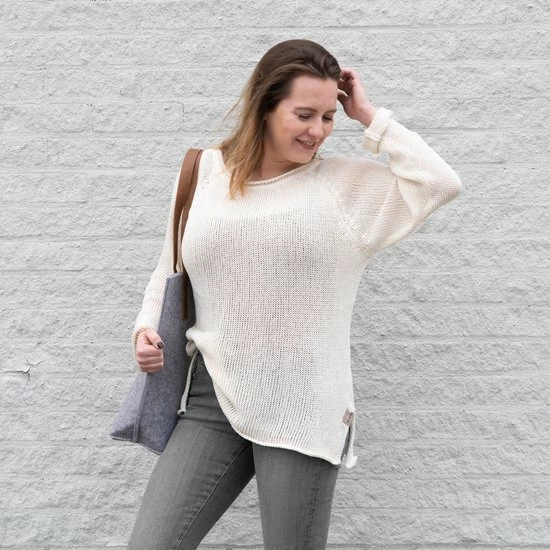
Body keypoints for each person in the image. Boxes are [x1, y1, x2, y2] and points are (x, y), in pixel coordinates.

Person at [126, 38, 462, 549]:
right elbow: (170, 267)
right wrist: (144, 329)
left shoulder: (346, 188)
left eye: (328, 117)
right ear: (264, 106)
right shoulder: (204, 171)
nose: (318, 131)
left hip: (302, 405)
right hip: (213, 397)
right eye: (304, 115)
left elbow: (439, 183)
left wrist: (371, 118)